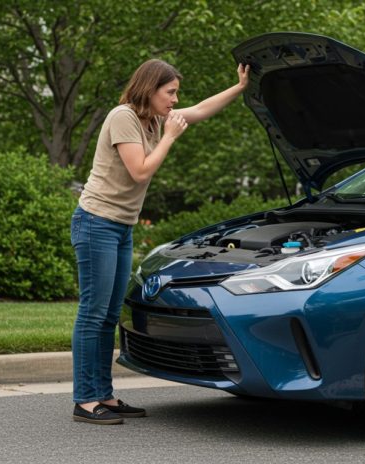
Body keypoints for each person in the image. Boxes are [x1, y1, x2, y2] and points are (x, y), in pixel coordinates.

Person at [70, 59, 249, 425]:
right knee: (93, 312)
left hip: (121, 227)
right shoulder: (124, 117)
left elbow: (199, 110)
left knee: (108, 316)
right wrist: (169, 137)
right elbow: (140, 171)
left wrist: (240, 87)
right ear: (150, 90)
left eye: (176, 93)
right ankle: (84, 400)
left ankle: (103, 394)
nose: (175, 99)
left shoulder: (153, 119)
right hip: (96, 224)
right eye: (170, 92)